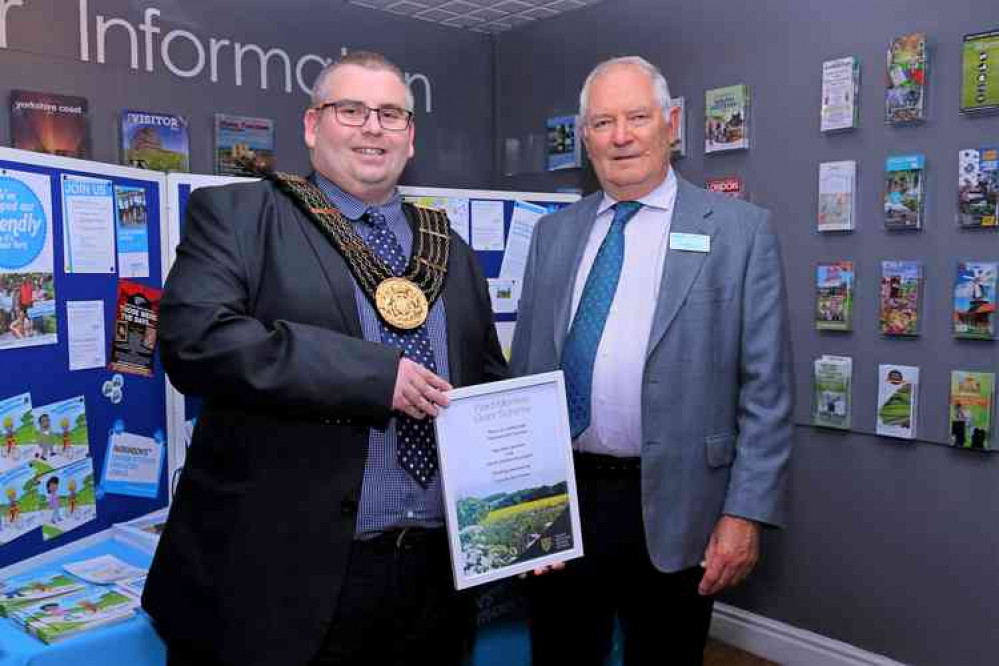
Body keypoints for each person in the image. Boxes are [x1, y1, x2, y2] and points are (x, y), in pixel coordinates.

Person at [142, 51, 506, 666]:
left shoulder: (451, 248)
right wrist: (373, 375)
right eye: (351, 110)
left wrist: (521, 513)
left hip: (431, 582)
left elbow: (489, 389)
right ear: (313, 127)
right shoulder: (240, 216)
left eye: (390, 114)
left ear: (410, 138)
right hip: (282, 582)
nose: (372, 127)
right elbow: (195, 342)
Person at [511, 56, 792, 666]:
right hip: (566, 502)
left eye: (637, 117)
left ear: (670, 125)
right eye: (603, 121)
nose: (621, 135)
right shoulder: (554, 234)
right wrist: (517, 501)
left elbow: (767, 393)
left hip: (681, 505)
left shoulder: (741, 232)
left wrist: (745, 513)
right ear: (585, 138)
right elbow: (525, 376)